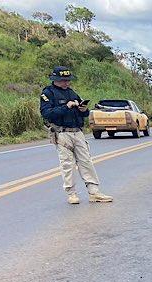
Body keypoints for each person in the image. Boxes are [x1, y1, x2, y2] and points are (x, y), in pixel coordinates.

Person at [39, 66, 113, 205]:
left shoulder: (72, 93)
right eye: (63, 80)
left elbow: (83, 113)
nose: (66, 83)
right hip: (62, 133)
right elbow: (46, 114)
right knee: (67, 164)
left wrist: (83, 110)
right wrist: (66, 107)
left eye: (68, 80)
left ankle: (94, 192)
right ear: (55, 80)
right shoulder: (48, 93)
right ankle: (71, 194)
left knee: (86, 162)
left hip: (77, 132)